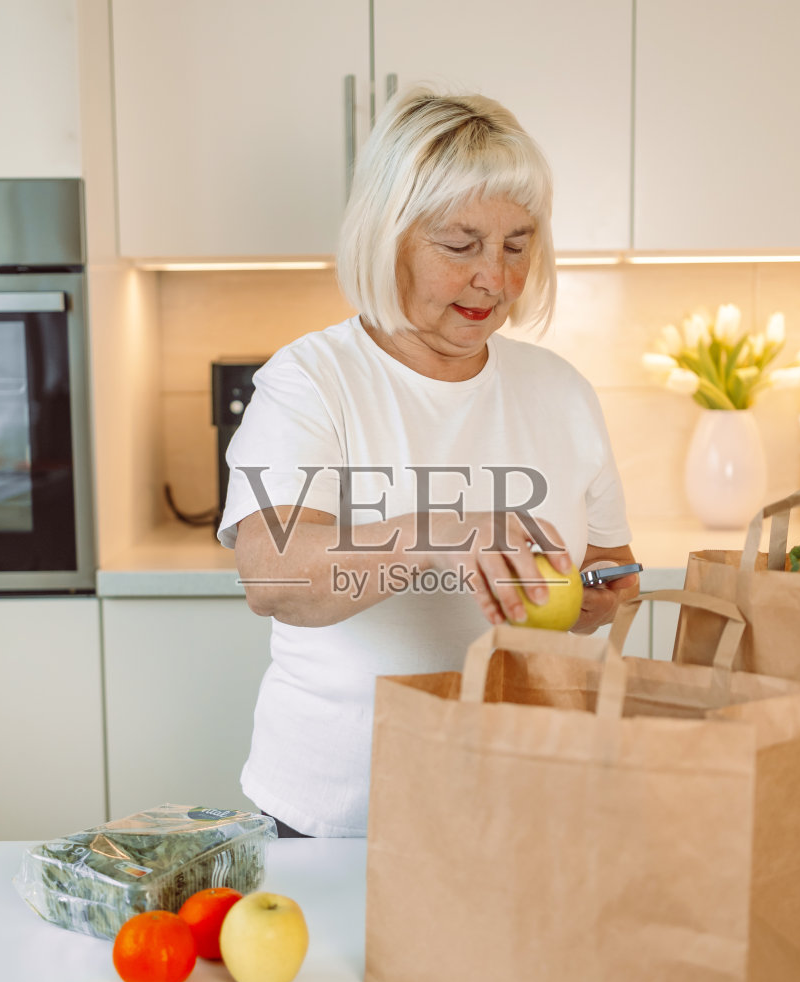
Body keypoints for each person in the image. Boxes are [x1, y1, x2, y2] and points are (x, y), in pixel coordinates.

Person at [216, 88, 639, 838]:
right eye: (461, 243)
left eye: (517, 243)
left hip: (522, 808)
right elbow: (271, 574)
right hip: (337, 822)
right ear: (391, 237)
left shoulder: (561, 391)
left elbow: (612, 567)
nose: (496, 278)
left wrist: (595, 598)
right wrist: (446, 531)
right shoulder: (311, 380)